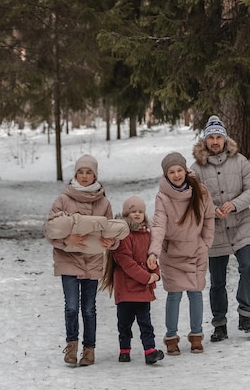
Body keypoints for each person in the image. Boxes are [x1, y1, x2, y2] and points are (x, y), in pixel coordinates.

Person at [191, 115, 250, 342]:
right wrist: (212, 211)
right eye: (210, 137)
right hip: (215, 230)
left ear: (224, 138)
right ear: (205, 140)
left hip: (241, 224)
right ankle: (219, 323)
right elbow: (192, 200)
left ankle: (245, 315)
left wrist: (234, 204)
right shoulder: (196, 169)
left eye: (218, 136)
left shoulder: (240, 161)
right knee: (217, 280)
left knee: (247, 267)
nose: (215, 141)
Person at [44, 154, 117, 366]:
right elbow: (50, 230)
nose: (84, 176)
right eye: (80, 172)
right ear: (75, 174)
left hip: (93, 261)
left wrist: (109, 242)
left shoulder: (104, 202)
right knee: (72, 307)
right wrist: (67, 239)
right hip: (68, 260)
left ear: (95, 175)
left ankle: (89, 350)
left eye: (89, 172)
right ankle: (71, 347)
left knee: (89, 308)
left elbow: (111, 231)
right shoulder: (63, 200)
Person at [147, 152, 215, 355]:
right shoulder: (163, 196)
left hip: (196, 250)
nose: (176, 175)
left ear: (185, 170)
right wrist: (154, 252)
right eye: (171, 172)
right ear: (166, 175)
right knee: (174, 295)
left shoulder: (200, 191)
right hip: (173, 252)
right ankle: (171, 337)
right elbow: (159, 224)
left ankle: (196, 336)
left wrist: (206, 242)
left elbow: (209, 217)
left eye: (179, 170)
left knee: (195, 293)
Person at [100, 196, 165, 365]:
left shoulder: (147, 235)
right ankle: (124, 349)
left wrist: (156, 273)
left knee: (146, 322)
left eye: (140, 211)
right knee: (125, 323)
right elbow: (126, 263)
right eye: (133, 211)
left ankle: (150, 350)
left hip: (143, 290)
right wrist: (147, 277)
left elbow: (152, 258)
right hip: (127, 289)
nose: (137, 214)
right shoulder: (123, 237)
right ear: (126, 214)